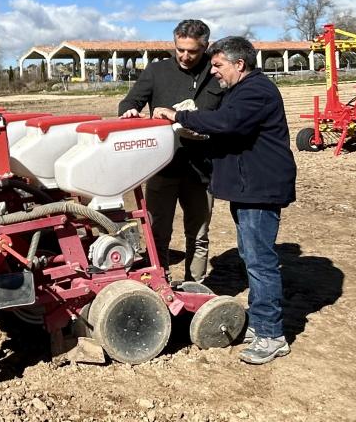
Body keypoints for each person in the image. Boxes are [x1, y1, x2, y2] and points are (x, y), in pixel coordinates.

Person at [153, 36, 297, 365]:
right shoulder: (241, 91)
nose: (214, 72)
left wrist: (180, 117)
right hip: (249, 188)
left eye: (218, 65)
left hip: (260, 189)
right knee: (252, 255)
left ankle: (272, 335)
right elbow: (227, 128)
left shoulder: (255, 91)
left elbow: (225, 123)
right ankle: (262, 325)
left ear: (239, 64)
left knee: (260, 261)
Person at [118, 19, 224, 282]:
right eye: (180, 50)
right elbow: (130, 101)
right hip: (161, 167)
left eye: (193, 51)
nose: (185, 56)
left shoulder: (217, 72)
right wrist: (129, 111)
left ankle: (195, 286)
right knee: (157, 235)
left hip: (202, 170)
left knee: (198, 236)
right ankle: (160, 283)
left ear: (205, 47)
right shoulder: (157, 71)